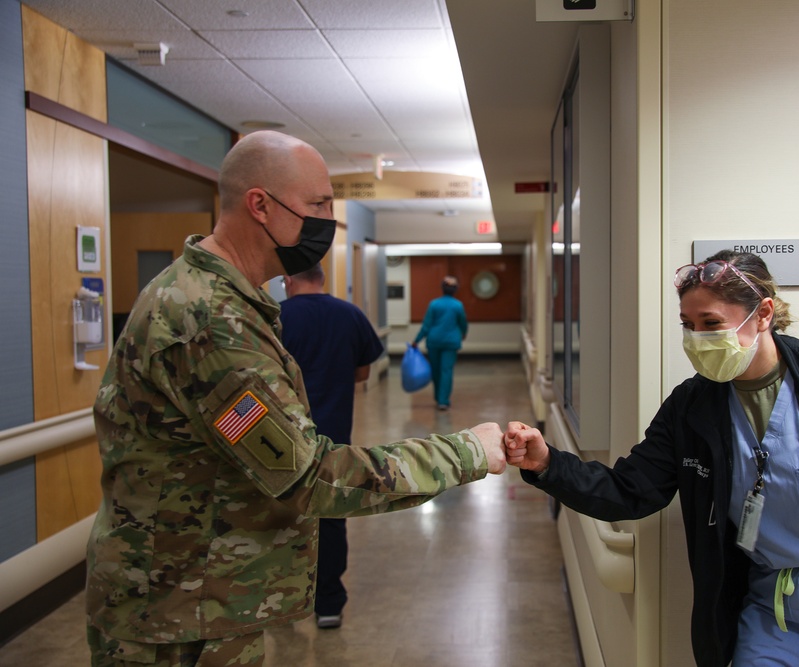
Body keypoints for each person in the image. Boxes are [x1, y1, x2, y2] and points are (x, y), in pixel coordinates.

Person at [86, 130, 507, 667]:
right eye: (318, 205)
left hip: (193, 599)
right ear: (259, 204)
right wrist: (466, 452)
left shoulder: (222, 299)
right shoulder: (210, 320)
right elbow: (305, 478)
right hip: (177, 616)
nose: (328, 221)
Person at [504, 250, 799, 667]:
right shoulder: (692, 408)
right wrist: (547, 462)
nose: (698, 339)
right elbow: (630, 490)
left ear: (763, 314)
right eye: (688, 326)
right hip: (769, 612)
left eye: (711, 324)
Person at [279, 263, 384, 630]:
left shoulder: (275, 317)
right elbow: (363, 372)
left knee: (279, 515)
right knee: (330, 515)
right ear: (321, 278)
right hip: (334, 436)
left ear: (287, 279)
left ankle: (283, 602)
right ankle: (328, 604)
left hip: (280, 439)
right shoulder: (350, 314)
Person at [412, 275, 468, 411]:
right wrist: (463, 334)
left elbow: (426, 325)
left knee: (436, 370)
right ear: (455, 290)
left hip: (434, 341)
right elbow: (463, 323)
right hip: (451, 342)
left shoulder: (434, 304)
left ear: (442, 289)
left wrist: (417, 340)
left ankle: (438, 397)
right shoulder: (458, 305)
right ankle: (443, 401)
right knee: (446, 371)